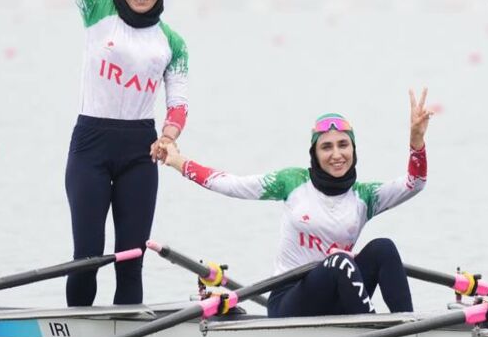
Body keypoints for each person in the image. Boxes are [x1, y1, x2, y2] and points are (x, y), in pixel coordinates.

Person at [160, 92, 432, 318]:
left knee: (383, 248)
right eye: (326, 147)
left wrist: (416, 142)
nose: (336, 155)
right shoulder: (292, 182)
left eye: (343, 145)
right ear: (314, 153)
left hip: (339, 298)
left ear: (353, 150)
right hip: (289, 300)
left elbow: (415, 183)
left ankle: (407, 329)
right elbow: (231, 184)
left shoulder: (365, 197)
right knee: (338, 261)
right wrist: (179, 162)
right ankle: (375, 335)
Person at [56, 0, 190, 306]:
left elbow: (179, 101)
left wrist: (169, 137)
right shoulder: (98, 12)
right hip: (91, 145)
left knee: (131, 259)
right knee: (87, 257)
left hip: (139, 150)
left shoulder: (171, 41)